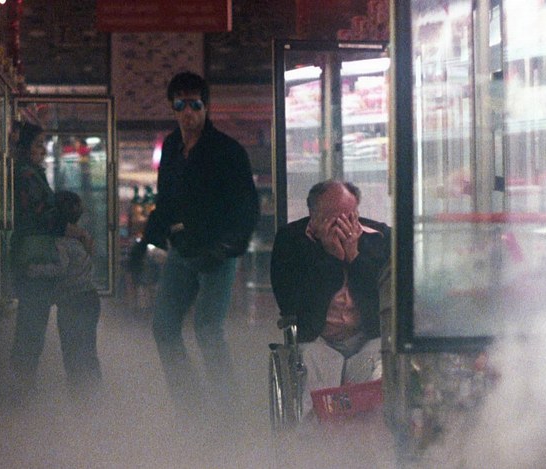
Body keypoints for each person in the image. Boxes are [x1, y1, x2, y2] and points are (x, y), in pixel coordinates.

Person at [130, 71, 260, 412]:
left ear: (206, 106)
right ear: (172, 107)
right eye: (180, 105)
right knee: (164, 327)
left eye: (195, 105)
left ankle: (227, 409)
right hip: (183, 248)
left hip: (217, 251)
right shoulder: (173, 148)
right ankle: (190, 406)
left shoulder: (227, 150)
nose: (188, 112)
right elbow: (166, 202)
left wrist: (226, 248)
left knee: (207, 329)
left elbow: (247, 207)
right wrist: (146, 243)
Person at [270, 180, 390, 411]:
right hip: (317, 336)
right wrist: (331, 257)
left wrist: (354, 257)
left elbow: (382, 297)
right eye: (332, 218)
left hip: (367, 334)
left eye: (349, 217)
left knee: (377, 372)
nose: (341, 226)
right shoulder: (291, 241)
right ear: (313, 215)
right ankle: (316, 429)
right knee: (315, 375)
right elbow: (292, 303)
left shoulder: (379, 238)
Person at [27, 190, 101, 391]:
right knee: (88, 349)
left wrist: (34, 270)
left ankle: (79, 395)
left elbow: (60, 268)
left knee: (71, 350)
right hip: (90, 298)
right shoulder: (83, 239)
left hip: (72, 301)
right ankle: (95, 394)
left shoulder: (60, 242)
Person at [9, 121, 57, 376]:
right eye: (38, 144)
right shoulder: (27, 175)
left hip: (34, 255)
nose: (43, 150)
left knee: (32, 325)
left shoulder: (31, 173)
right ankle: (22, 383)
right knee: (31, 327)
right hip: (34, 257)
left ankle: (23, 380)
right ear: (26, 147)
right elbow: (40, 214)